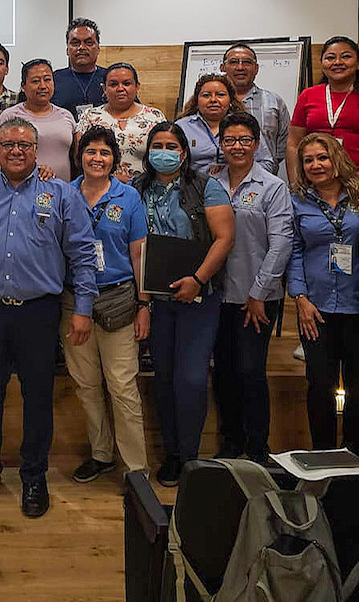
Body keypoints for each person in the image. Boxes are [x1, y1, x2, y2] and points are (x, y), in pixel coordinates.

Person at [0, 120, 98, 518]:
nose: (15, 151)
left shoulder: (60, 194)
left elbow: (82, 254)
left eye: (24, 145)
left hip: (38, 313)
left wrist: (83, 308)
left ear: (36, 150)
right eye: (8, 144)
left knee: (38, 397)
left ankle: (34, 477)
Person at [134, 122, 235, 486]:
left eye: (171, 146)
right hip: (156, 300)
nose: (164, 152)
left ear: (184, 152)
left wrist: (198, 280)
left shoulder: (206, 186)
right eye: (157, 146)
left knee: (190, 379)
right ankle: (172, 454)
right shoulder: (137, 188)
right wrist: (143, 300)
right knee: (163, 378)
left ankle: (190, 457)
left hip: (198, 297)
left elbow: (224, 238)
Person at [288, 133, 359, 456]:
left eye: (322, 157)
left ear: (337, 158)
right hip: (316, 310)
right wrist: (300, 298)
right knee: (320, 386)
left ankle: (354, 456)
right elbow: (294, 251)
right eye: (308, 160)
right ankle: (323, 456)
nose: (316, 165)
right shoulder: (297, 201)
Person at [64, 126, 150, 483]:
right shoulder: (65, 193)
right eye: (90, 151)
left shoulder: (128, 197)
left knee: (123, 387)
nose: (97, 158)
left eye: (104, 152)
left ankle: (136, 470)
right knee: (86, 384)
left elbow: (139, 254)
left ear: (114, 159)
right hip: (73, 302)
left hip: (119, 300)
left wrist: (144, 305)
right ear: (79, 156)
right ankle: (101, 454)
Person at [211, 112, 294, 462]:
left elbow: (281, 243)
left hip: (255, 297)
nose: (237, 146)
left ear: (257, 144)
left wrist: (259, 292)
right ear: (221, 144)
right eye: (230, 140)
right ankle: (230, 445)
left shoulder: (272, 187)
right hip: (216, 296)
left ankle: (258, 448)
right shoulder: (211, 182)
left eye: (245, 140)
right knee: (223, 372)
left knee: (250, 372)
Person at [288, 36, 359, 186]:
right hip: (317, 184)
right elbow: (293, 143)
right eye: (330, 58)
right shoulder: (308, 95)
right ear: (322, 63)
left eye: (346, 56)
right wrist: (296, 186)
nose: (337, 62)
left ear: (358, 61)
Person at [77, 63, 166, 182]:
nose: (120, 88)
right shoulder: (90, 116)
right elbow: (79, 157)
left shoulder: (154, 117)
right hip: (99, 186)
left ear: (137, 87)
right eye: (113, 84)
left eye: (126, 83)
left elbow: (163, 156)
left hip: (144, 187)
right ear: (104, 88)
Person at [176, 73, 272, 176]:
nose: (213, 100)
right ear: (196, 100)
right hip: (193, 184)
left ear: (230, 99)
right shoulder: (182, 127)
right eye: (206, 95)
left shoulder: (246, 125)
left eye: (220, 95)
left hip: (238, 183)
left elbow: (267, 163)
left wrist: (233, 172)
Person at [0, 59, 76, 178]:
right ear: (23, 86)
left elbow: (76, 158)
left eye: (47, 80)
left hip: (63, 187)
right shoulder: (10, 116)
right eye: (35, 81)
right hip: (22, 186)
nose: (42, 86)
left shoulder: (66, 115)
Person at [220, 43, 288, 176]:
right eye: (233, 62)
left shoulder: (274, 102)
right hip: (220, 181)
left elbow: (283, 147)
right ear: (222, 68)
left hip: (265, 181)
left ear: (256, 68)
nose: (240, 67)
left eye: (247, 62)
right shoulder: (211, 104)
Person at [53, 17, 108, 118]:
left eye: (88, 42)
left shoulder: (111, 78)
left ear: (98, 49)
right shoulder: (53, 80)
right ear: (67, 50)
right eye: (75, 43)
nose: (81, 47)